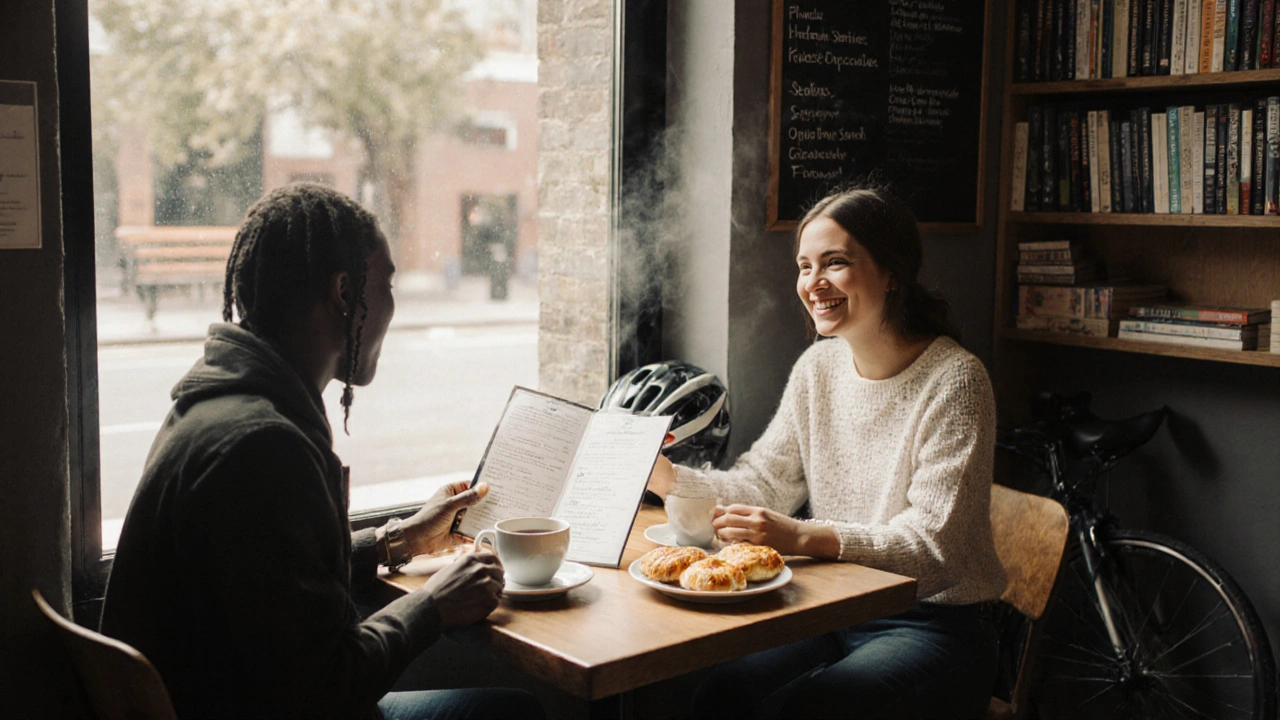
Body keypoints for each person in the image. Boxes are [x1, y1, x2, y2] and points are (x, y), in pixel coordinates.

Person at [100, 183, 544, 720]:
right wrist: (433, 605)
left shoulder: (223, 405)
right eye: (388, 283)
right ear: (343, 293)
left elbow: (273, 579)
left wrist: (396, 540)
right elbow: (324, 686)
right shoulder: (262, 447)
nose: (394, 305)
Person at [647, 185, 1007, 720]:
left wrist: (800, 535)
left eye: (834, 263)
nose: (813, 284)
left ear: (891, 272)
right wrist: (669, 479)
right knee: (718, 692)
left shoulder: (956, 381)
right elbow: (765, 483)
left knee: (810, 710)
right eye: (804, 266)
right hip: (834, 610)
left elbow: (935, 552)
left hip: (937, 623)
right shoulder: (819, 367)